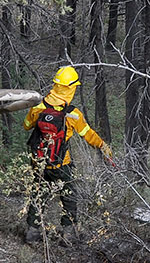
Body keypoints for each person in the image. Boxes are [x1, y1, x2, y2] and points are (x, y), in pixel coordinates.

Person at [22, 65, 113, 245]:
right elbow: (88, 134)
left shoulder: (40, 107)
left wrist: (35, 110)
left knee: (38, 193)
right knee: (69, 195)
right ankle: (68, 235)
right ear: (71, 88)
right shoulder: (73, 114)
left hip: (39, 162)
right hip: (60, 164)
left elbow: (26, 125)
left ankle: (32, 232)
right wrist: (103, 146)